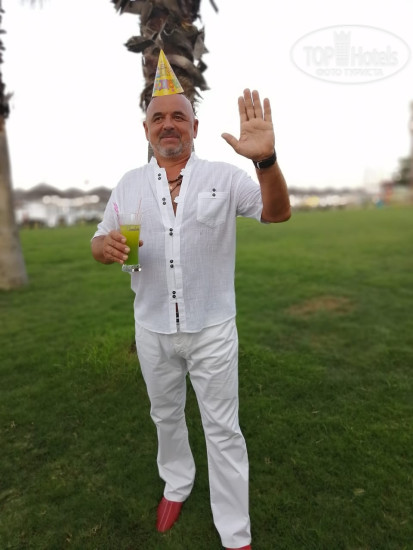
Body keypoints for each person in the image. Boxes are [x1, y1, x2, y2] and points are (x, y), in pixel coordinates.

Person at [91, 50, 290, 550]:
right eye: (158, 117)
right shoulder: (129, 185)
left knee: (223, 429)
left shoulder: (225, 178)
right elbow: (100, 238)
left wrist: (265, 161)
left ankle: (235, 532)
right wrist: (102, 247)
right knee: (165, 414)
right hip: (152, 328)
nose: (168, 124)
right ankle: (176, 484)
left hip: (212, 328)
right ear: (146, 130)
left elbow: (277, 212)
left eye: (178, 116)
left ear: (195, 126)